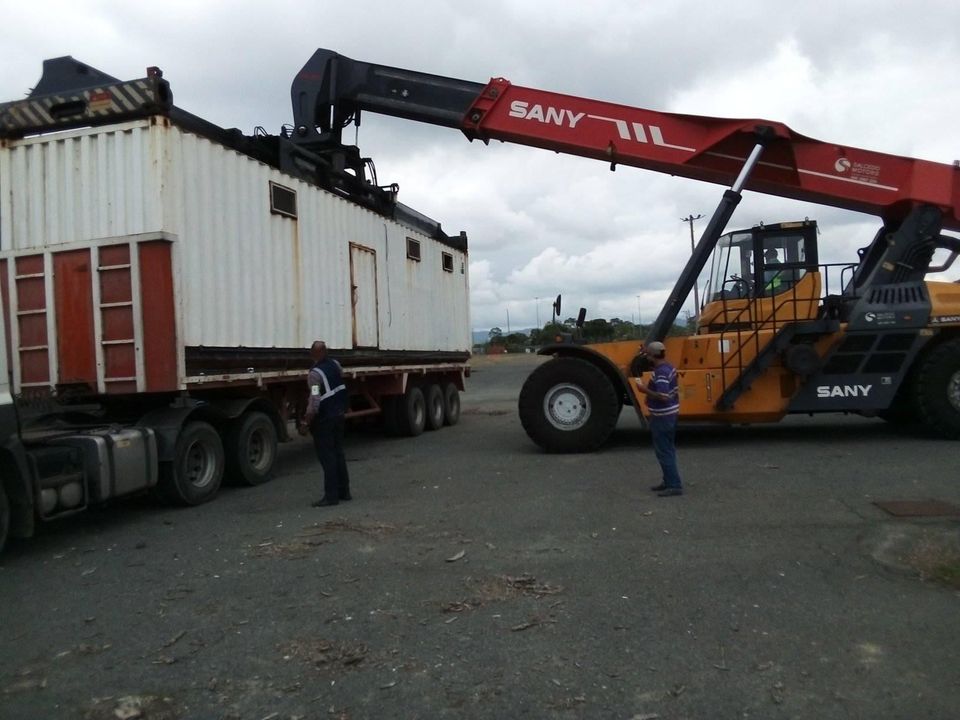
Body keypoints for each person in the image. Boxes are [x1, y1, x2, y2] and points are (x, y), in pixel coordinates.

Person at [299, 340, 351, 507]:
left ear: (314, 354)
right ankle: (344, 491)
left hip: (325, 419)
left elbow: (315, 400)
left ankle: (331, 496)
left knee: (327, 458)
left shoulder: (314, 375)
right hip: (339, 414)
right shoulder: (335, 364)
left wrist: (307, 421)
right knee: (338, 453)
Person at [635, 340, 683, 497]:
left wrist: (644, 390)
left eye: (648, 354)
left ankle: (674, 485)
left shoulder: (661, 372)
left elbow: (663, 396)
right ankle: (668, 480)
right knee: (668, 449)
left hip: (662, 417)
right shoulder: (669, 367)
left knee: (664, 451)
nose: (647, 357)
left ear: (652, 356)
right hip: (670, 415)